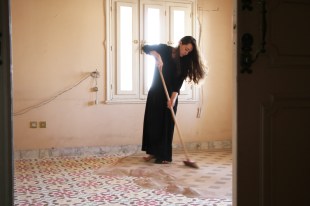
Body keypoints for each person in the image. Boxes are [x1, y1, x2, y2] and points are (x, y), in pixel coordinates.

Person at [141, 36, 206, 164]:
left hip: (170, 95)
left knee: (166, 125)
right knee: (153, 123)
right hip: (155, 92)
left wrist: (173, 99)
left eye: (189, 51)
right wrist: (157, 56)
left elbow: (178, 83)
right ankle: (153, 153)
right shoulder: (165, 49)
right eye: (186, 49)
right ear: (180, 43)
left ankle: (164, 156)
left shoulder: (185, 61)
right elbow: (145, 48)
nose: (186, 52)